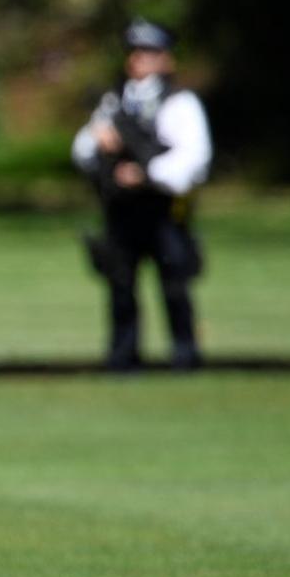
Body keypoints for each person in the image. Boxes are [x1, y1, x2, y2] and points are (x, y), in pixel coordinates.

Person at [72, 18, 213, 371]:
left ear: (166, 59)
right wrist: (100, 143)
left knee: (174, 285)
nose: (139, 60)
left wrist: (146, 173)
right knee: (120, 285)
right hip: (122, 211)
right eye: (135, 52)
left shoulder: (179, 103)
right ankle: (123, 356)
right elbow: (82, 149)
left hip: (163, 210)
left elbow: (193, 158)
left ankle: (185, 354)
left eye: (148, 52)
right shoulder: (114, 103)